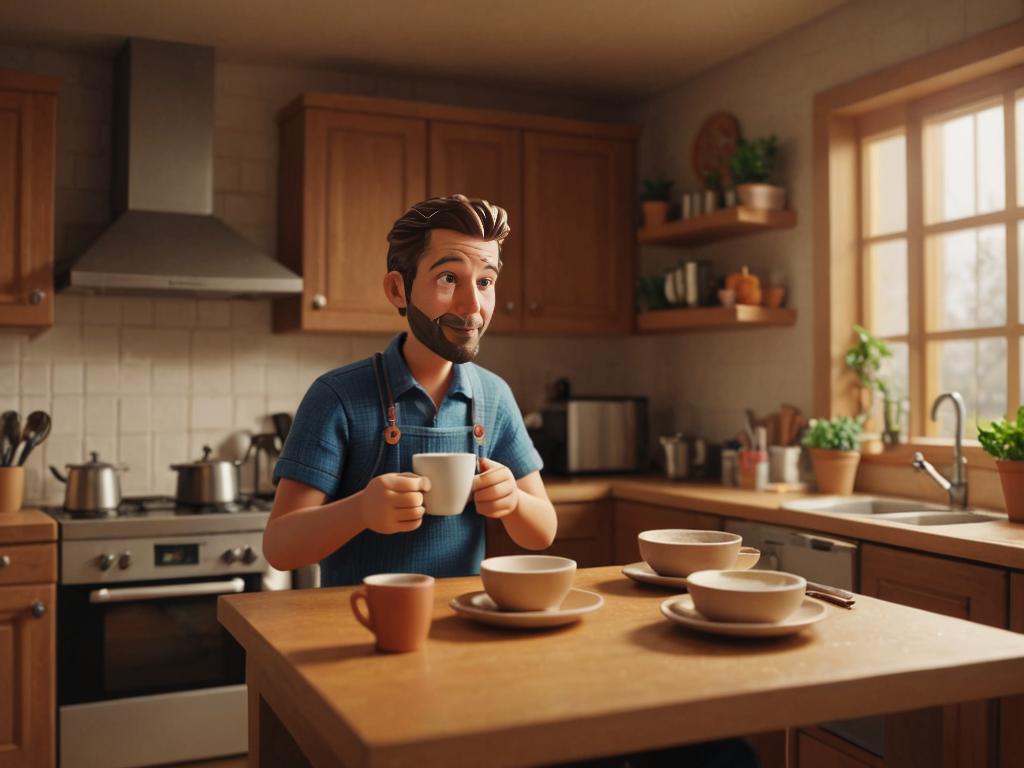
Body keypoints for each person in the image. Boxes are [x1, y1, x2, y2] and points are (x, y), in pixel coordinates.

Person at [263, 195, 557, 584]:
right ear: (398, 290)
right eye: (449, 278)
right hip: (355, 627)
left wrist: (514, 501)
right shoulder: (336, 397)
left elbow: (543, 531)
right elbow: (280, 548)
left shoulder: (495, 397)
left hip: (461, 626)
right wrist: (361, 511)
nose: (473, 306)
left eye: (485, 282)